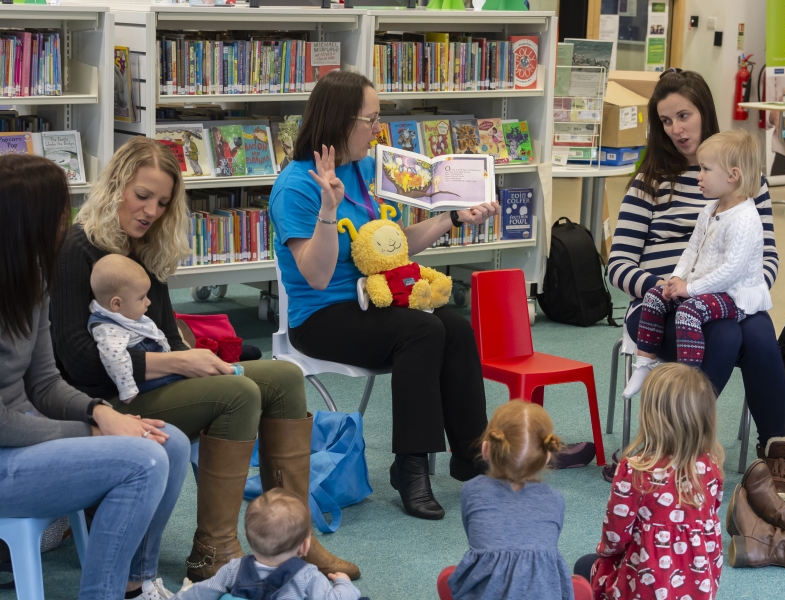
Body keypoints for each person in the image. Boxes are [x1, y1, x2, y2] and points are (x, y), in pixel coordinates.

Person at [49, 137, 358, 581]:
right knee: (237, 393)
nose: (151, 211)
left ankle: (294, 537)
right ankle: (213, 550)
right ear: (115, 187)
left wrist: (189, 357)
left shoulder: (145, 248)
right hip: (103, 402)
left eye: (162, 202)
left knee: (284, 376)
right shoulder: (76, 249)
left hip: (152, 385)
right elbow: (75, 361)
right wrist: (179, 364)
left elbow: (162, 336)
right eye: (142, 196)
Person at [268, 70, 498, 521]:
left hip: (374, 300)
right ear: (339, 122)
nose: (378, 130)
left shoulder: (361, 170)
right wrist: (329, 211)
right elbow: (315, 276)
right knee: (422, 330)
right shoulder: (296, 186)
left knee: (452, 322)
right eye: (370, 120)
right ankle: (410, 466)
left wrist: (452, 217)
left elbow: (393, 246)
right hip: (321, 317)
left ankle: (472, 455)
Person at [0, 154, 190, 600]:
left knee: (172, 444)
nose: (64, 226)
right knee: (143, 461)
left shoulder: (32, 280)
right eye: (57, 214)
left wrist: (100, 411)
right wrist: (88, 427)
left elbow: (44, 381)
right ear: (27, 221)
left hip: (22, 437)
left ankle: (136, 585)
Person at [607, 68, 785, 501]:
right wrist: (669, 288)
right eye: (666, 121)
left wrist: (743, 293)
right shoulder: (649, 181)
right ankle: (684, 448)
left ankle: (774, 453)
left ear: (704, 113)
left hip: (727, 300)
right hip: (661, 307)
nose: (676, 129)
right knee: (730, 333)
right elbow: (617, 265)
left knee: (760, 332)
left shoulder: (746, 179)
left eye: (684, 116)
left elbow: (766, 255)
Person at [622, 130, 771, 399]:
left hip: (734, 296)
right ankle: (644, 364)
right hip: (707, 288)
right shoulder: (710, 209)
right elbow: (691, 250)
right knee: (655, 297)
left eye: (705, 169)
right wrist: (675, 280)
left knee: (688, 312)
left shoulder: (745, 218)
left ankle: (686, 381)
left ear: (732, 175)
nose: (698, 176)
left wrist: (689, 290)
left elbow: (730, 272)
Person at [575, 363, 725, 600]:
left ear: (651, 418)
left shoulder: (635, 469)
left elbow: (615, 537)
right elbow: (712, 524)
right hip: (699, 588)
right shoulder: (711, 466)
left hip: (642, 589)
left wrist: (604, 553)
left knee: (584, 567)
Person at [442, 401, 574, 600]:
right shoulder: (555, 500)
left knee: (451, 576)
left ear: (486, 448)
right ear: (547, 455)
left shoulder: (472, 491)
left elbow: (475, 537)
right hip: (544, 592)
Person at [173, 489, 362, 600]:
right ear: (305, 546)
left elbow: (200, 593)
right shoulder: (308, 576)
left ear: (247, 537)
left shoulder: (234, 569)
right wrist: (343, 583)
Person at [89, 254, 184, 402]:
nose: (148, 302)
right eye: (142, 298)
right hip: (148, 386)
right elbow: (114, 358)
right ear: (117, 304)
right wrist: (128, 389)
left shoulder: (123, 314)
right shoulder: (108, 329)